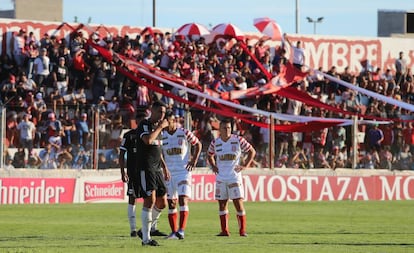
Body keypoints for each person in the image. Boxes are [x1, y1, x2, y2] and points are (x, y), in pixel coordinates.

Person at [207, 118, 256, 237]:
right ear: (220, 129)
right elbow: (209, 154)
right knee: (222, 204)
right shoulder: (216, 142)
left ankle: (242, 230)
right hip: (221, 177)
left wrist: (245, 165)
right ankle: (224, 231)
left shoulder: (238, 140)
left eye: (229, 128)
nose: (227, 130)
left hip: (234, 177)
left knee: (238, 203)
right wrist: (213, 166)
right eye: (225, 128)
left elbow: (252, 151)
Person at [161, 111, 202, 240]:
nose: (168, 124)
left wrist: (194, 160)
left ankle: (181, 230)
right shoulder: (162, 135)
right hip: (169, 173)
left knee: (183, 199)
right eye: (166, 121)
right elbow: (159, 153)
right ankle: (174, 232)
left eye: (170, 121)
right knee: (171, 203)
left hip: (183, 172)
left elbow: (198, 144)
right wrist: (164, 167)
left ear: (174, 121)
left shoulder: (184, 132)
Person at [135, 101, 170, 246]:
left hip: (157, 169)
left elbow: (157, 149)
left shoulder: (157, 128)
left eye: (164, 113)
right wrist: (161, 127)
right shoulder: (144, 124)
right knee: (150, 200)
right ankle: (146, 239)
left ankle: (144, 230)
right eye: (160, 112)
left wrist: (164, 167)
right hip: (146, 168)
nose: (162, 115)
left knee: (163, 202)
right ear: (152, 111)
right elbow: (148, 140)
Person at [119, 111, 147, 237]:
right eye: (140, 121)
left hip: (147, 172)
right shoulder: (129, 135)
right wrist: (122, 171)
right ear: (136, 122)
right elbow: (121, 154)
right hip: (133, 173)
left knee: (151, 199)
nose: (142, 123)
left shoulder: (149, 136)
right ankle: (133, 229)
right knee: (132, 199)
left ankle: (150, 228)